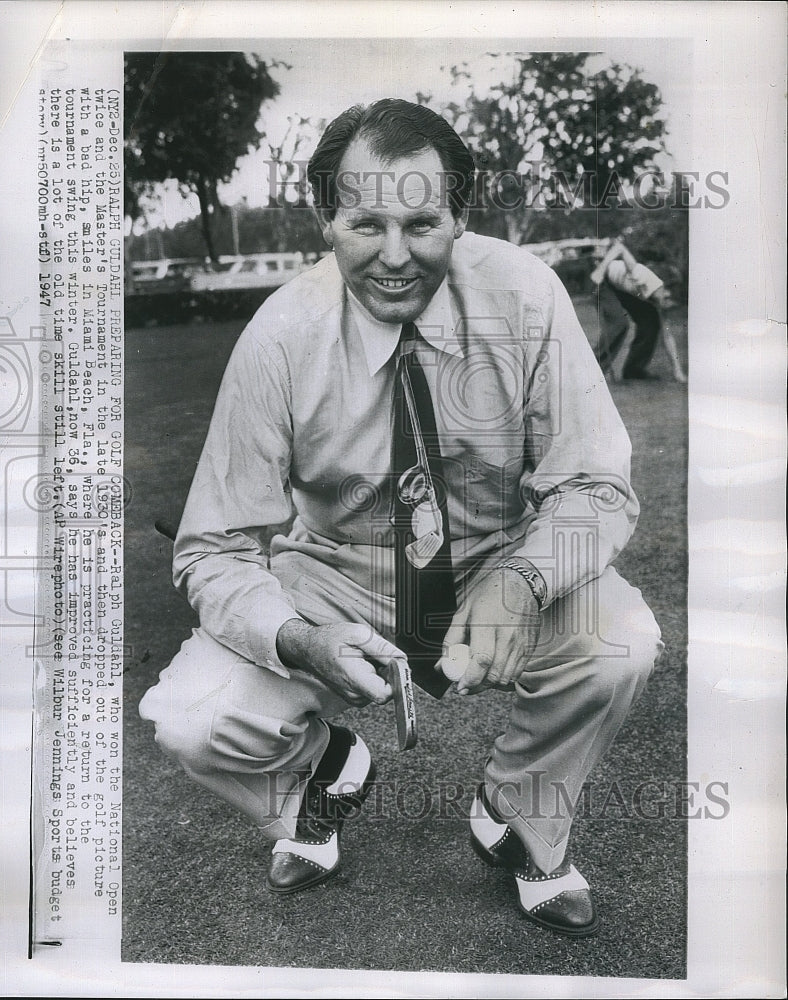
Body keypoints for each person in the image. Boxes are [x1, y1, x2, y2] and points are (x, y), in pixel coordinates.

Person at [139, 99, 662, 938]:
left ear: (462, 213)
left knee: (622, 640)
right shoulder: (279, 337)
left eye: (422, 222)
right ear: (325, 218)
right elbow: (212, 550)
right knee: (189, 718)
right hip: (333, 573)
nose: (393, 256)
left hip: (498, 557)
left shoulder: (526, 294)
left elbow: (597, 483)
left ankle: (520, 812)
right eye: (365, 222)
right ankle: (320, 776)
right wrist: (300, 638)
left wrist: (525, 581)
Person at [591, 238, 687, 382]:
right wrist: (600, 269)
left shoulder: (658, 298)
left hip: (624, 289)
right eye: (668, 303)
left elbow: (667, 336)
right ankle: (591, 371)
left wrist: (677, 370)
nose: (666, 307)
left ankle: (634, 371)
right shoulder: (642, 278)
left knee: (652, 322)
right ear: (666, 292)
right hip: (604, 282)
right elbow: (619, 247)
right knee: (620, 324)